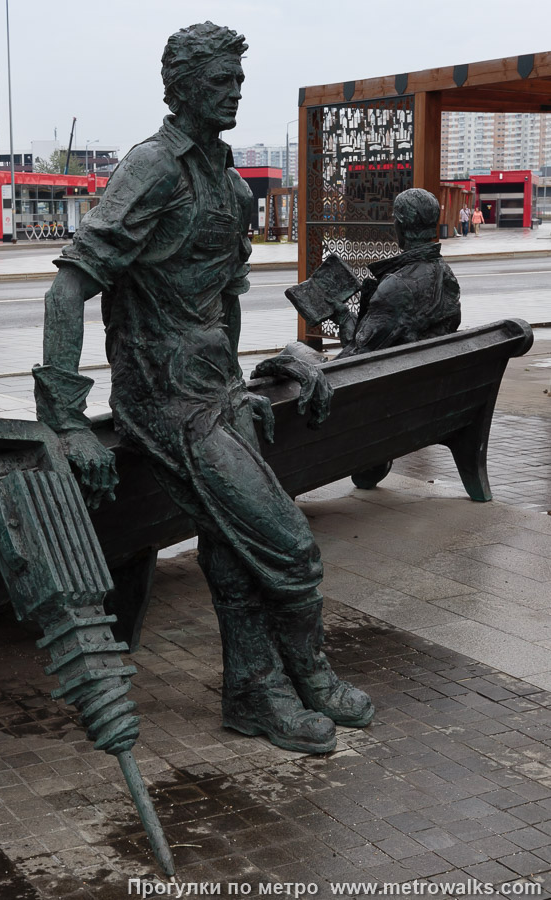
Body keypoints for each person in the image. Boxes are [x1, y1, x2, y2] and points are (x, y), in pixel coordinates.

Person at [34, 21, 373, 755]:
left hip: (216, 396)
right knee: (288, 550)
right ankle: (297, 676)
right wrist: (63, 415)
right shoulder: (152, 169)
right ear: (183, 87)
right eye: (222, 82)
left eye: (239, 81)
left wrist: (253, 372)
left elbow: (222, 299)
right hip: (162, 403)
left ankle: (261, 690)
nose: (236, 93)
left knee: (232, 545)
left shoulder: (229, 185)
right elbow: (68, 291)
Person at [335, 188, 461, 359]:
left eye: (394, 218)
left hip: (388, 378)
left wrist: (342, 317)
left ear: (400, 225)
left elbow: (357, 355)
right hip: (424, 368)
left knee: (294, 353)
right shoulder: (445, 272)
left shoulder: (397, 286)